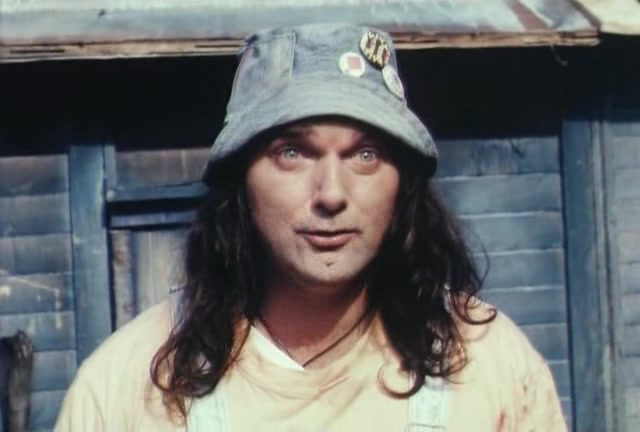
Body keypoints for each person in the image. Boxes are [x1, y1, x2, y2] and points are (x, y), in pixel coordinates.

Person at [55, 23, 567, 431]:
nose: (331, 194)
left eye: (365, 154)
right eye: (292, 153)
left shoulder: (490, 365)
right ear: (240, 180)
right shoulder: (127, 386)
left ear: (402, 185)